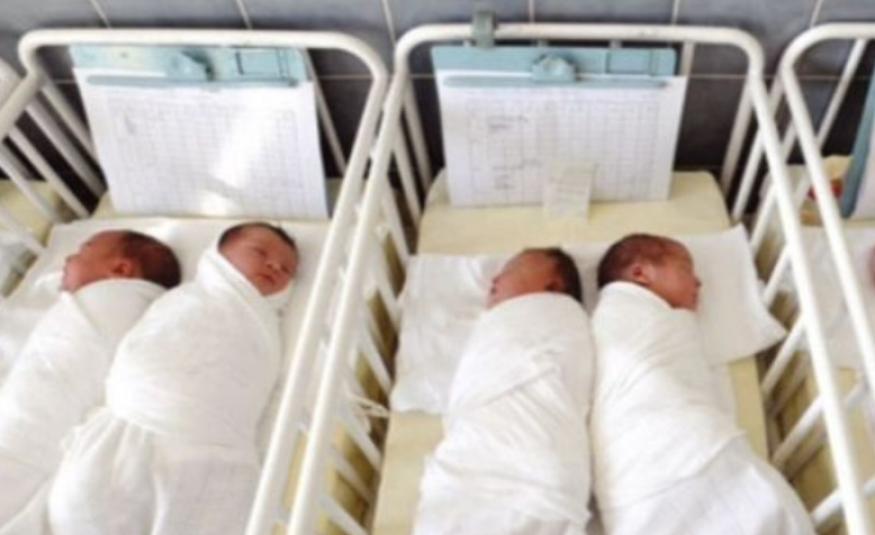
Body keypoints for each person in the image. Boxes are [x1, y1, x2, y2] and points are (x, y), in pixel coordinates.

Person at [47, 222, 297, 535]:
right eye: (260, 252)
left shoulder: (263, 324)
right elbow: (152, 337)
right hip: (137, 414)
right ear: (219, 258)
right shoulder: (189, 299)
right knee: (85, 498)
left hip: (211, 438)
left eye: (287, 269)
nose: (274, 266)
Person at [591, 233, 814, 535]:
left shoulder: (655, 323)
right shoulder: (618, 315)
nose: (699, 283)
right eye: (687, 269)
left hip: (647, 476)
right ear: (641, 274)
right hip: (668, 454)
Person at [0, 229, 180, 531]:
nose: (67, 259)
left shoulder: (115, 306)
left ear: (120, 270)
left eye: (81, 252)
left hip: (28, 437)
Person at [413, 247, 595, 535]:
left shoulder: (560, 319)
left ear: (553, 286)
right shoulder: (497, 326)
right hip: (487, 464)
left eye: (510, 270)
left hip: (536, 460)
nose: (495, 279)